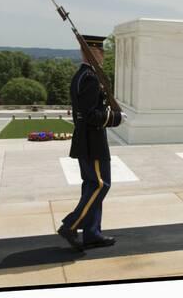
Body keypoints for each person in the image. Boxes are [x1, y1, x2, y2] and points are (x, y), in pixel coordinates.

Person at [57, 35, 127, 250]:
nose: (104, 56)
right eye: (101, 52)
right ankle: (71, 225)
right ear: (92, 53)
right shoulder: (90, 78)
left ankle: (92, 233)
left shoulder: (82, 75)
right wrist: (116, 118)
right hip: (92, 141)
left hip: (86, 140)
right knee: (99, 185)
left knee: (91, 186)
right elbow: (90, 115)